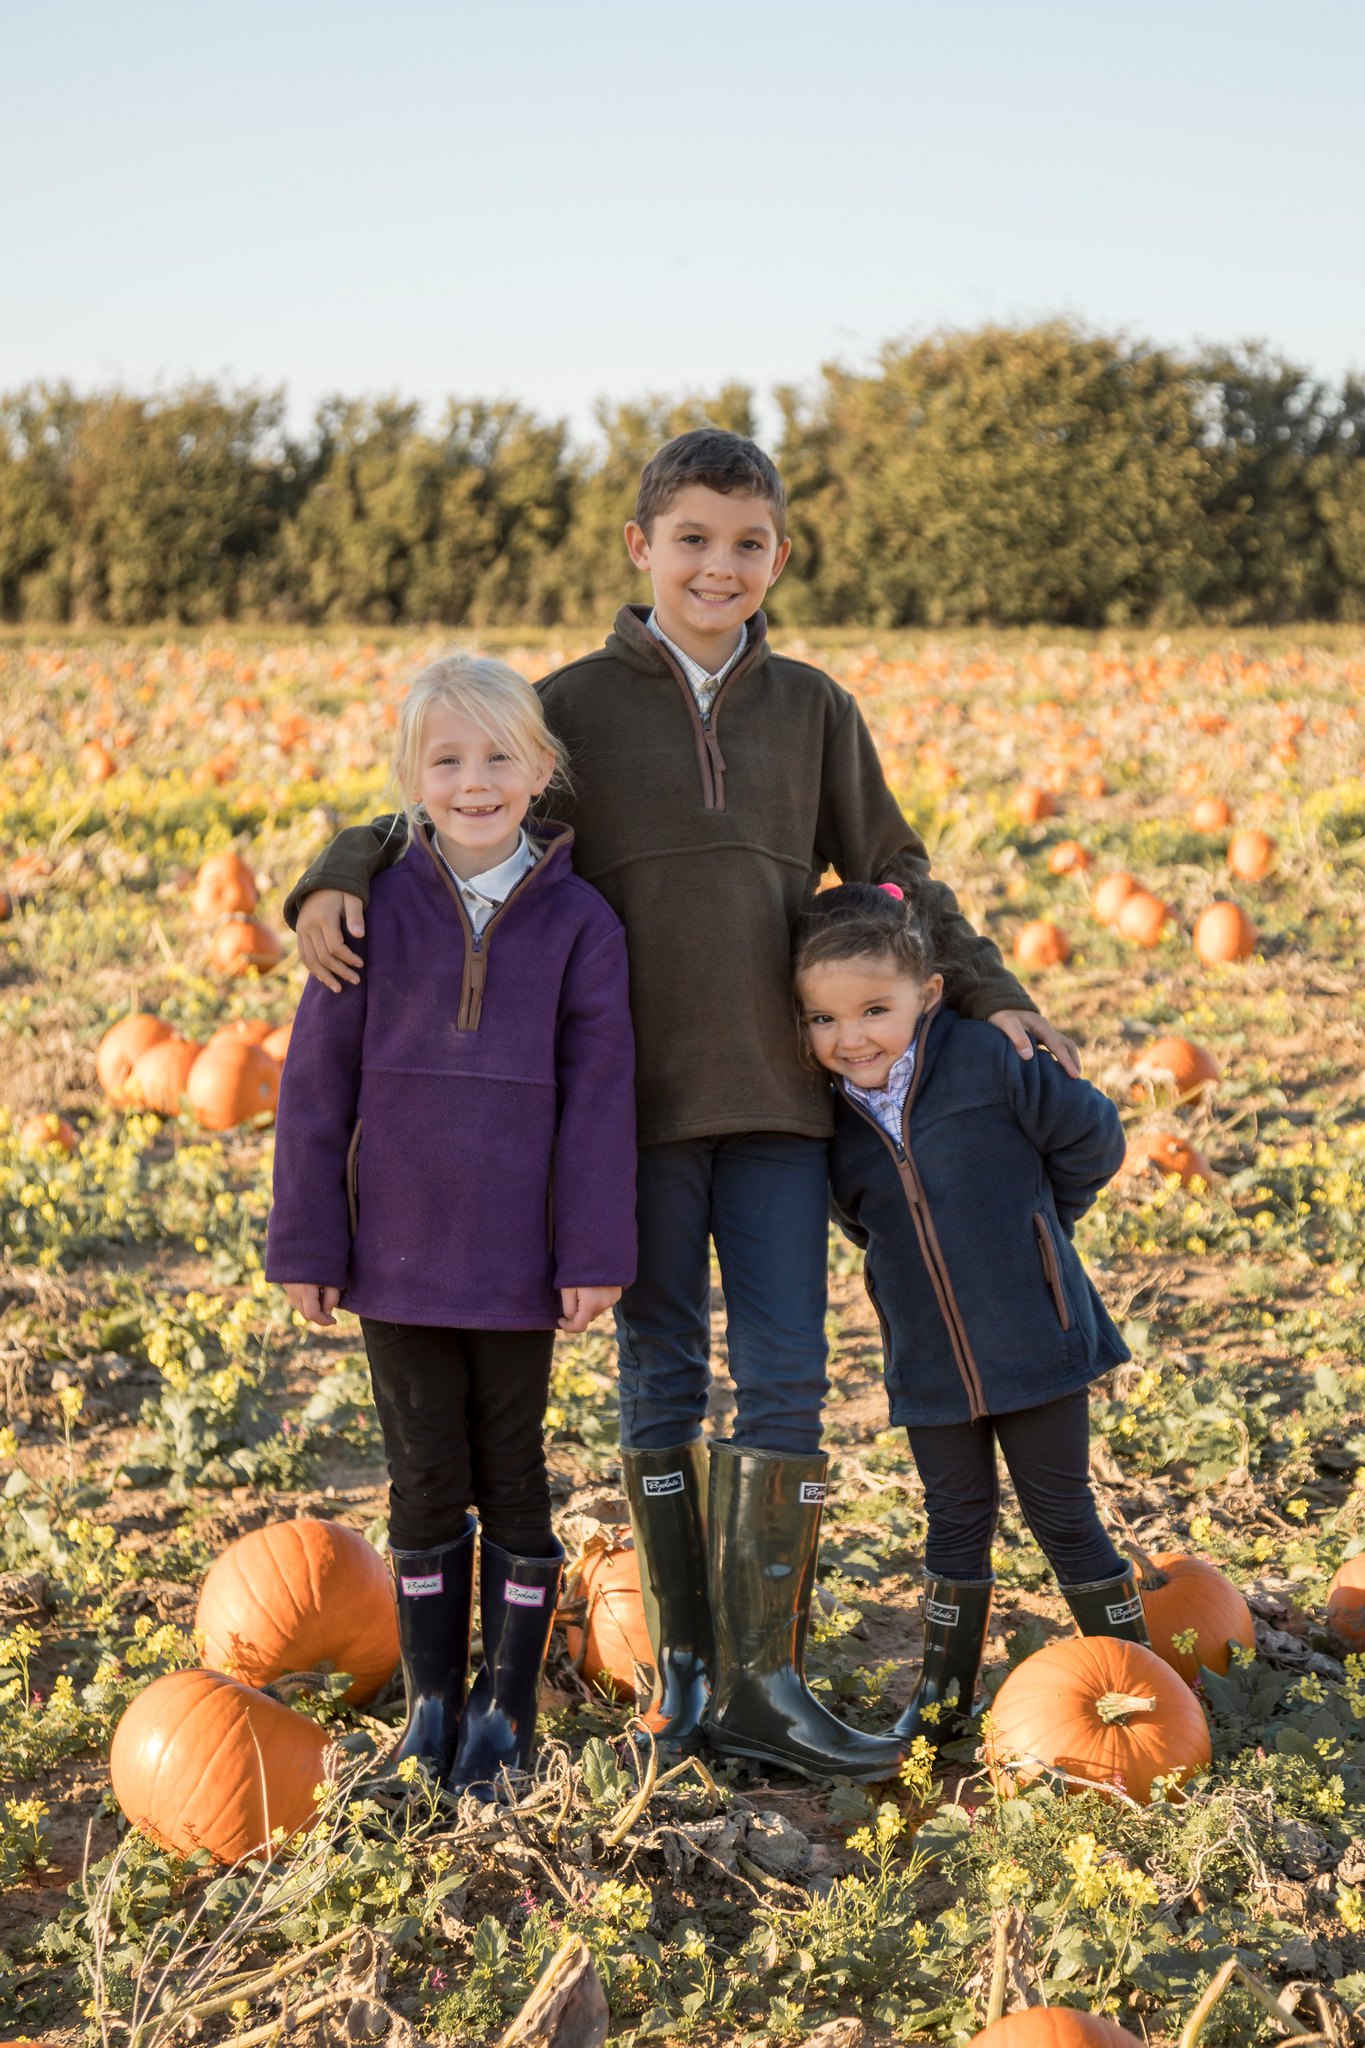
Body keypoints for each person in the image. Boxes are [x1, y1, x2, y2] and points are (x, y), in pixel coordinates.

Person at [282, 429, 1080, 1784]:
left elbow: (891, 868)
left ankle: (766, 1676)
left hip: (777, 1101)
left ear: (779, 557)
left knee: (784, 1374)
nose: (720, 565)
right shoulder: (574, 706)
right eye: (694, 539)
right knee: (661, 1369)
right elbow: (456, 803)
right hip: (628, 1113)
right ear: (641, 547)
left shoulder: (812, 709)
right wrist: (335, 865)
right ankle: (684, 1675)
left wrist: (991, 988)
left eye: (747, 542)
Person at [266, 654, 636, 1794]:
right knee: (424, 1475)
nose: (474, 781)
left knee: (513, 1471)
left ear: (541, 768)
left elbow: (601, 1100)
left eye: (498, 757)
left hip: (518, 1261)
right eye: (447, 760)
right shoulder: (366, 910)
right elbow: (314, 1088)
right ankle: (432, 1705)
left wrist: (591, 1250)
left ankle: (504, 1709)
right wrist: (308, 1241)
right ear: (410, 778)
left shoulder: (580, 922)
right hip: (397, 1255)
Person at [793, 881, 1145, 1749]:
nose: (850, 1038)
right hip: (929, 1365)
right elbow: (858, 1220)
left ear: (928, 994)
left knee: (1061, 1513)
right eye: (823, 1019)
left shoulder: (989, 1060)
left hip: (1036, 1339)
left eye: (874, 1010)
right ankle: (943, 1698)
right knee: (952, 1521)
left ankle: (1142, 1682)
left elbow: (1093, 1136)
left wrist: (1041, 1224)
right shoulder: (829, 1121)